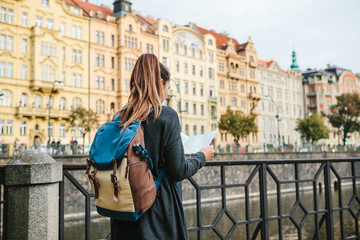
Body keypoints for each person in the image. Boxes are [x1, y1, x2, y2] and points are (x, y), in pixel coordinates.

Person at [110, 54, 214, 240]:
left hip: (123, 211)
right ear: (160, 82)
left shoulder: (120, 117)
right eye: (167, 86)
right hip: (157, 212)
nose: (166, 92)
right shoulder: (166, 116)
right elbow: (178, 171)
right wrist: (202, 156)